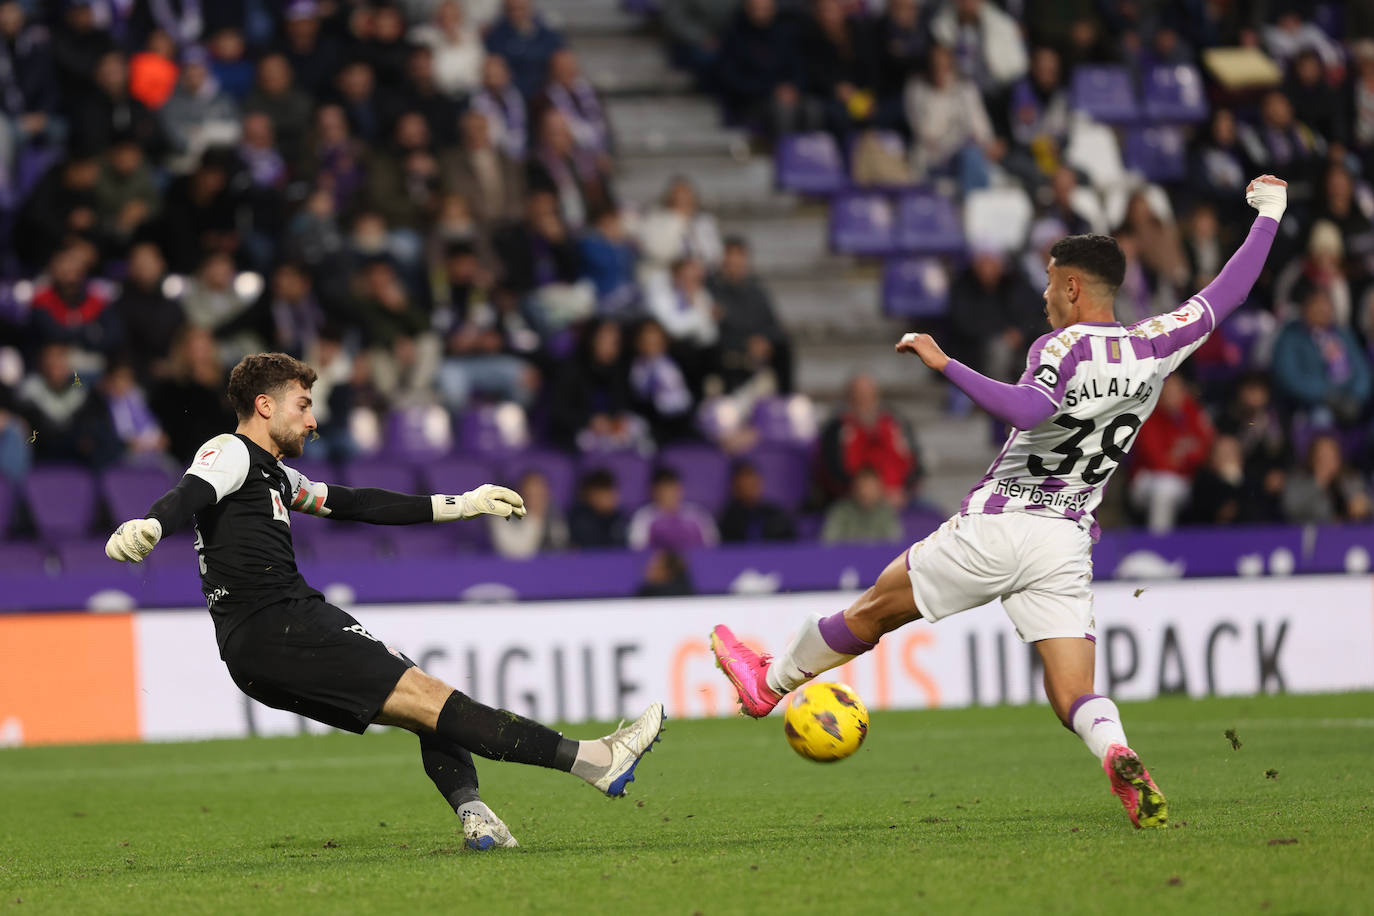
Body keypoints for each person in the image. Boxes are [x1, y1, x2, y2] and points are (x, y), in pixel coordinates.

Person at [711, 175, 1289, 831]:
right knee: (1073, 691)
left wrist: (944, 363)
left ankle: (771, 684)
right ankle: (1117, 751)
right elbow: (1229, 291)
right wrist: (1270, 213)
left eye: (1050, 283)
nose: (1044, 296)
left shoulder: (1062, 348)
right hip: (1067, 541)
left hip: (1001, 524)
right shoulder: (1156, 344)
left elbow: (1028, 407)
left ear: (1075, 287)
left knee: (872, 611)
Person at [103, 352, 665, 851]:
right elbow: (190, 492)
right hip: (281, 622)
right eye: (303, 404)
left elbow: (354, 502)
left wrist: (461, 504)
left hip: (254, 647)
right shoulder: (230, 450)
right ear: (265, 406)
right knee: (432, 698)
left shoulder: (273, 474)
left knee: (421, 703)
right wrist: (153, 523)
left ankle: (477, 817)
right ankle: (595, 760)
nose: (313, 418)